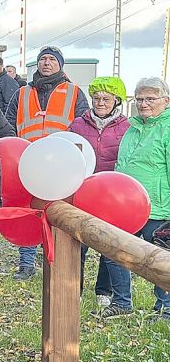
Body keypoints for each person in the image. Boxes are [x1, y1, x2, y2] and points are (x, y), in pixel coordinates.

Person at [6, 46, 89, 279]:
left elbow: (81, 126)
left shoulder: (74, 92)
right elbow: (9, 122)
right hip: (28, 160)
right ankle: (26, 264)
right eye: (43, 59)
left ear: (60, 65)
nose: (46, 63)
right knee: (28, 209)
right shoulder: (22, 92)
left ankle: (53, 259)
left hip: (61, 163)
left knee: (59, 210)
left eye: (52, 59)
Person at [108, 77, 170, 319]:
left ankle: (164, 309)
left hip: (159, 207)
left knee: (161, 260)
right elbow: (121, 165)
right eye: (140, 99)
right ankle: (122, 302)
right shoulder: (132, 128)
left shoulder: (167, 129)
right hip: (126, 207)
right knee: (114, 250)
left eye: (150, 99)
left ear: (166, 101)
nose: (144, 103)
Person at [67, 76, 128, 308]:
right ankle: (76, 289)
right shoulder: (78, 124)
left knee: (107, 243)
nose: (100, 102)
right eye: (96, 98)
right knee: (79, 244)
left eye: (106, 98)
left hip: (111, 194)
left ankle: (103, 290)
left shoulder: (127, 127)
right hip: (82, 190)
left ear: (116, 100)